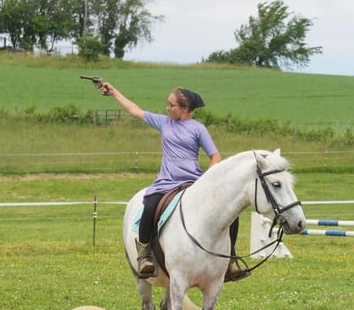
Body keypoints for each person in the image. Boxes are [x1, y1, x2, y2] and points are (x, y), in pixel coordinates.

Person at [98, 81, 247, 281]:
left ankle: (230, 259)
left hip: (193, 182)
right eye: (167, 104)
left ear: (184, 109)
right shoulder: (164, 122)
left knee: (230, 214)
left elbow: (215, 157)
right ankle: (145, 254)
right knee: (149, 205)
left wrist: (206, 180)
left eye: (171, 105)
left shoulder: (198, 129)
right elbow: (135, 111)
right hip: (167, 182)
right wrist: (114, 92)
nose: (167, 108)